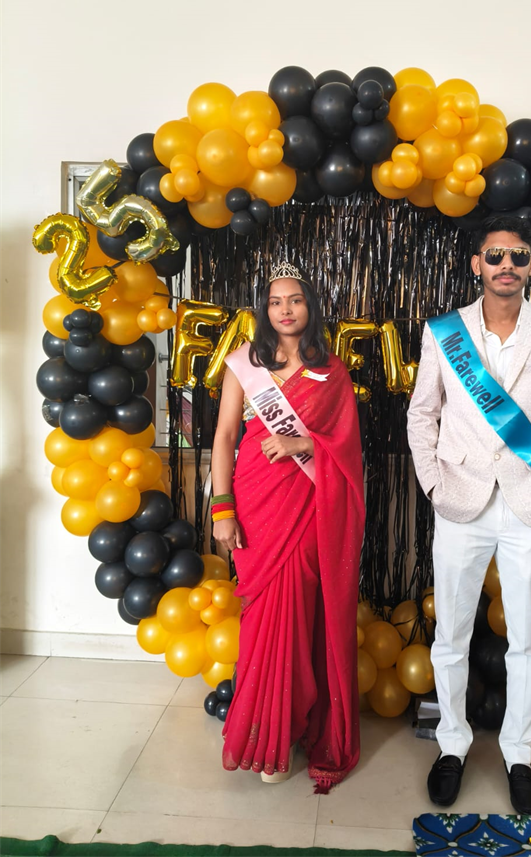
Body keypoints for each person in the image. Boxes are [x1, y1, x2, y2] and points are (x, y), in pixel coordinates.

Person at [407, 216, 531, 816]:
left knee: (527, 639)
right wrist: (433, 483)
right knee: (451, 636)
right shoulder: (444, 332)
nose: (506, 265)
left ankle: (519, 755)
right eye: (495, 255)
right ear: (476, 264)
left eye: (518, 256)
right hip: (461, 500)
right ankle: (452, 745)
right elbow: (421, 414)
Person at [210, 261, 365, 792]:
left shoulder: (333, 372)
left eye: (295, 300)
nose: (285, 309)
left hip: (308, 508)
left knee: (298, 617)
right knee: (260, 619)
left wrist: (302, 443)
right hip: (255, 503)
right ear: (264, 311)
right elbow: (224, 437)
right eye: (276, 302)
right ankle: (262, 731)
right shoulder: (243, 365)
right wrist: (223, 510)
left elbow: (347, 451)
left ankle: (287, 728)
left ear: (310, 307)